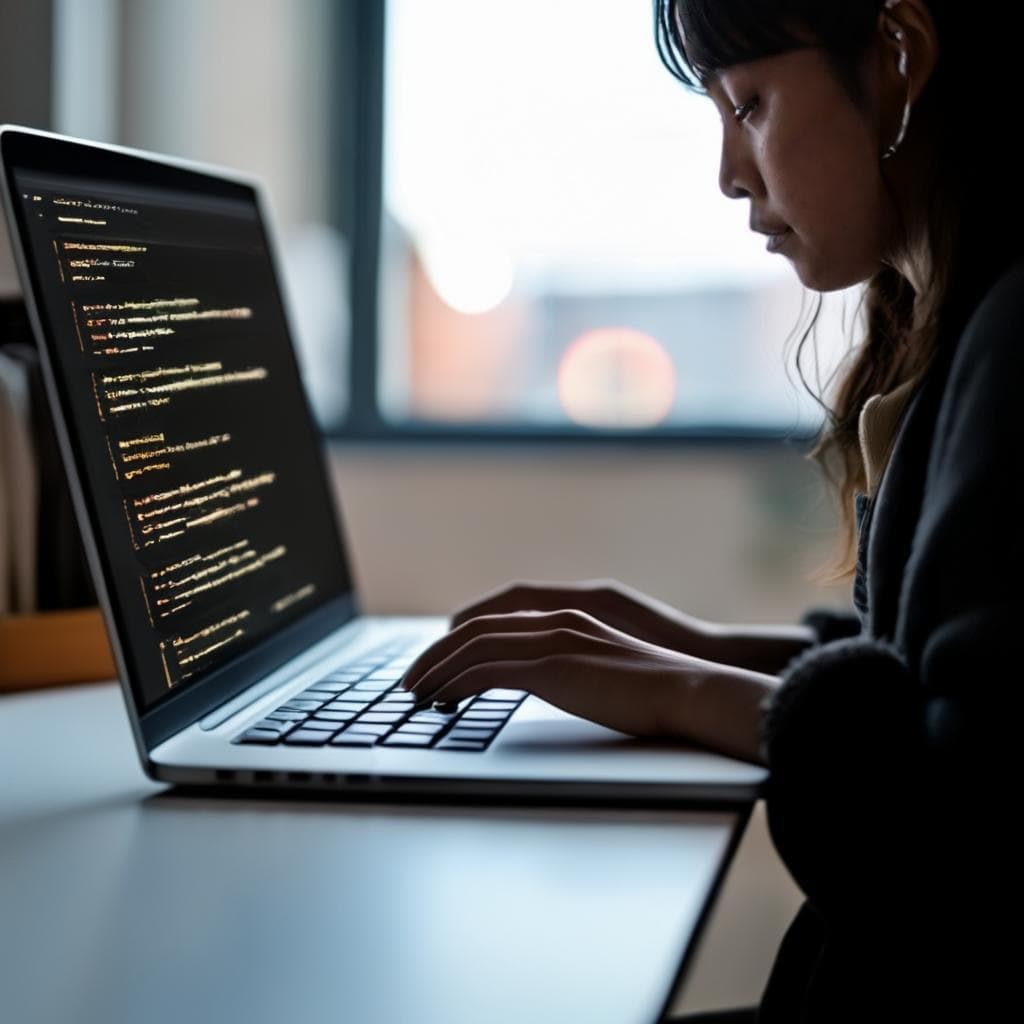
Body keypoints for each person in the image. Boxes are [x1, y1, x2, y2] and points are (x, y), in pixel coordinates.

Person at [402, 1, 1020, 1019]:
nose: (730, 172)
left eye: (749, 104)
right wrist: (694, 645)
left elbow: (957, 831)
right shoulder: (965, 327)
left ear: (900, 59)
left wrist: (681, 694)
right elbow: (923, 672)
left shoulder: (1010, 349)